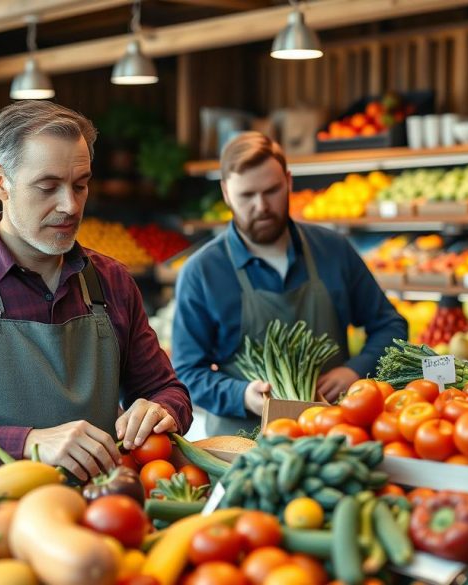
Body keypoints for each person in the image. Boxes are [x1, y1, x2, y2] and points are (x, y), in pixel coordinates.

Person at [0, 100, 192, 482]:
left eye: (81, 185)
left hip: (101, 517)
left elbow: (166, 389)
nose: (70, 205)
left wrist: (163, 409)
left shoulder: (112, 282)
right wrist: (28, 444)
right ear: (0, 182)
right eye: (48, 186)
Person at [172, 132, 407, 436]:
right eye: (247, 195)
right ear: (226, 193)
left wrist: (355, 370)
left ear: (289, 182)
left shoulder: (333, 250)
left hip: (334, 432)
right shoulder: (202, 272)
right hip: (245, 444)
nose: (261, 206)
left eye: (271, 191)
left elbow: (390, 326)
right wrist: (242, 395)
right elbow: (187, 373)